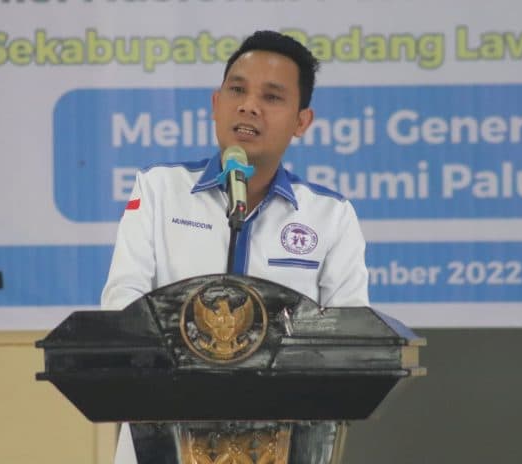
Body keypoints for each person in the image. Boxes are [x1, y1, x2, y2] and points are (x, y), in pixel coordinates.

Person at [101, 30, 369, 463]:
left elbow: (350, 338)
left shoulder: (330, 215)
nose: (249, 106)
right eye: (237, 90)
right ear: (216, 104)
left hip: (282, 442)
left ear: (301, 122)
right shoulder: (159, 190)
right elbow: (122, 304)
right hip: (165, 439)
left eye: (272, 96)